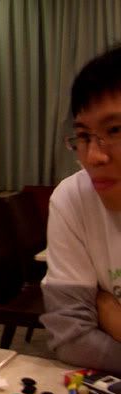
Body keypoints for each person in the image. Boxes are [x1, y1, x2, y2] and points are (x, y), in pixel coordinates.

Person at [40, 47, 121, 375]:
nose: (93, 157)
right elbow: (71, 338)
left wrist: (110, 314)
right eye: (84, 136)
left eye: (115, 131)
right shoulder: (73, 196)